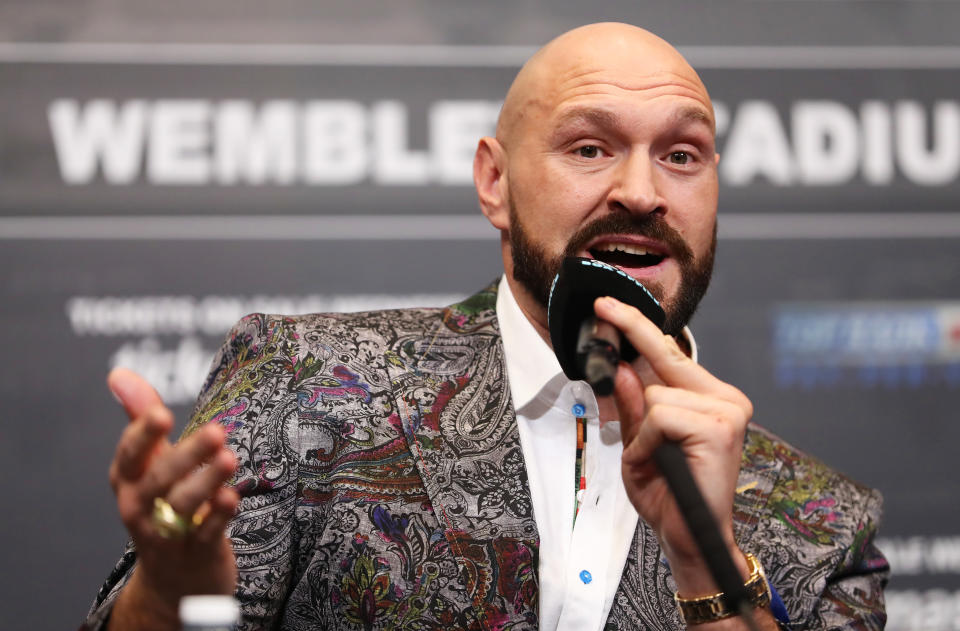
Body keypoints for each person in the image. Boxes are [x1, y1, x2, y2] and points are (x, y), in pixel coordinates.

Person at [83, 23, 887, 631]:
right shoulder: (311, 383)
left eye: (682, 155)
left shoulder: (822, 519)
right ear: (494, 182)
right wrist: (174, 585)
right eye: (590, 146)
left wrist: (704, 564)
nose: (641, 191)